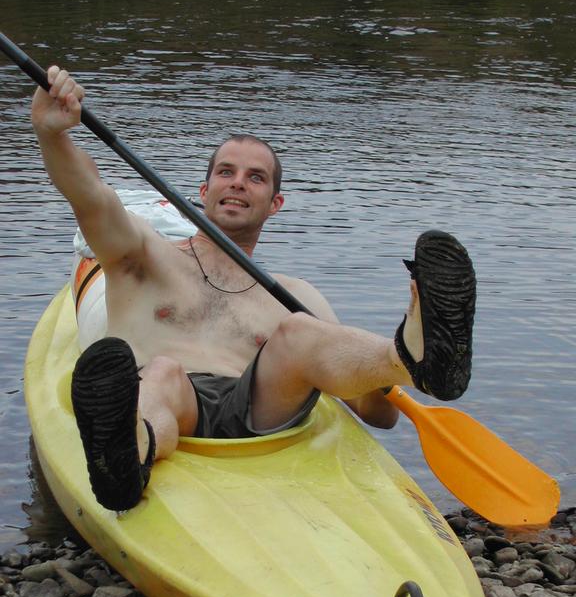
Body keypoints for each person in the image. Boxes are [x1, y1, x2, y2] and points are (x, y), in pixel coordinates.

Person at [31, 66, 476, 512]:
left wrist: (378, 382)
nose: (238, 182)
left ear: (274, 204)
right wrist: (53, 135)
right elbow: (88, 193)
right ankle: (127, 457)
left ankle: (414, 359)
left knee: (301, 331)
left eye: (256, 177)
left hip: (260, 418)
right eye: (226, 172)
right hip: (169, 404)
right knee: (162, 373)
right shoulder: (143, 253)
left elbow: (379, 415)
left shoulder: (295, 296)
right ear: (203, 191)